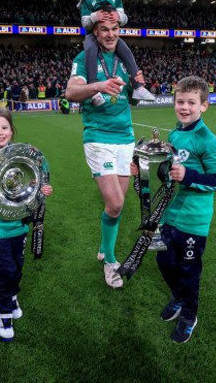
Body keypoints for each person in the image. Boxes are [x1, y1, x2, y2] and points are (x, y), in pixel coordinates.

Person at [66, 17, 147, 289]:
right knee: (115, 204)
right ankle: (110, 261)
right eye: (105, 30)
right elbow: (71, 92)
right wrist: (99, 86)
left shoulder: (125, 60)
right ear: (96, 33)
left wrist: (138, 86)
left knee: (118, 204)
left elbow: (132, 101)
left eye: (115, 29)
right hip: (98, 136)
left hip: (125, 137)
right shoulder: (84, 58)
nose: (111, 35)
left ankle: (104, 246)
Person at [0, 107, 53, 342]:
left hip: (19, 224)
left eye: (4, 128)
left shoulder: (21, 157)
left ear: (12, 131)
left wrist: (42, 190)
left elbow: (34, 184)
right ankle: (4, 316)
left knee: (17, 266)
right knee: (5, 270)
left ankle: (12, 296)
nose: (0, 133)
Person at [154, 76, 216, 343]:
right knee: (162, 261)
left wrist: (189, 175)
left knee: (188, 270)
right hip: (170, 214)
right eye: (180, 101)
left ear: (203, 106)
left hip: (193, 220)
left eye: (191, 102)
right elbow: (170, 172)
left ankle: (189, 314)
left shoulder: (207, 140)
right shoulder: (174, 134)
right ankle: (179, 296)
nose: (184, 107)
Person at [77, 0, 155, 105]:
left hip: (111, 35)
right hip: (93, 37)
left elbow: (124, 19)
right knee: (90, 50)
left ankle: (138, 86)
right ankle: (94, 90)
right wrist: (95, 16)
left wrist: (118, 16)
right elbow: (84, 23)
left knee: (126, 50)